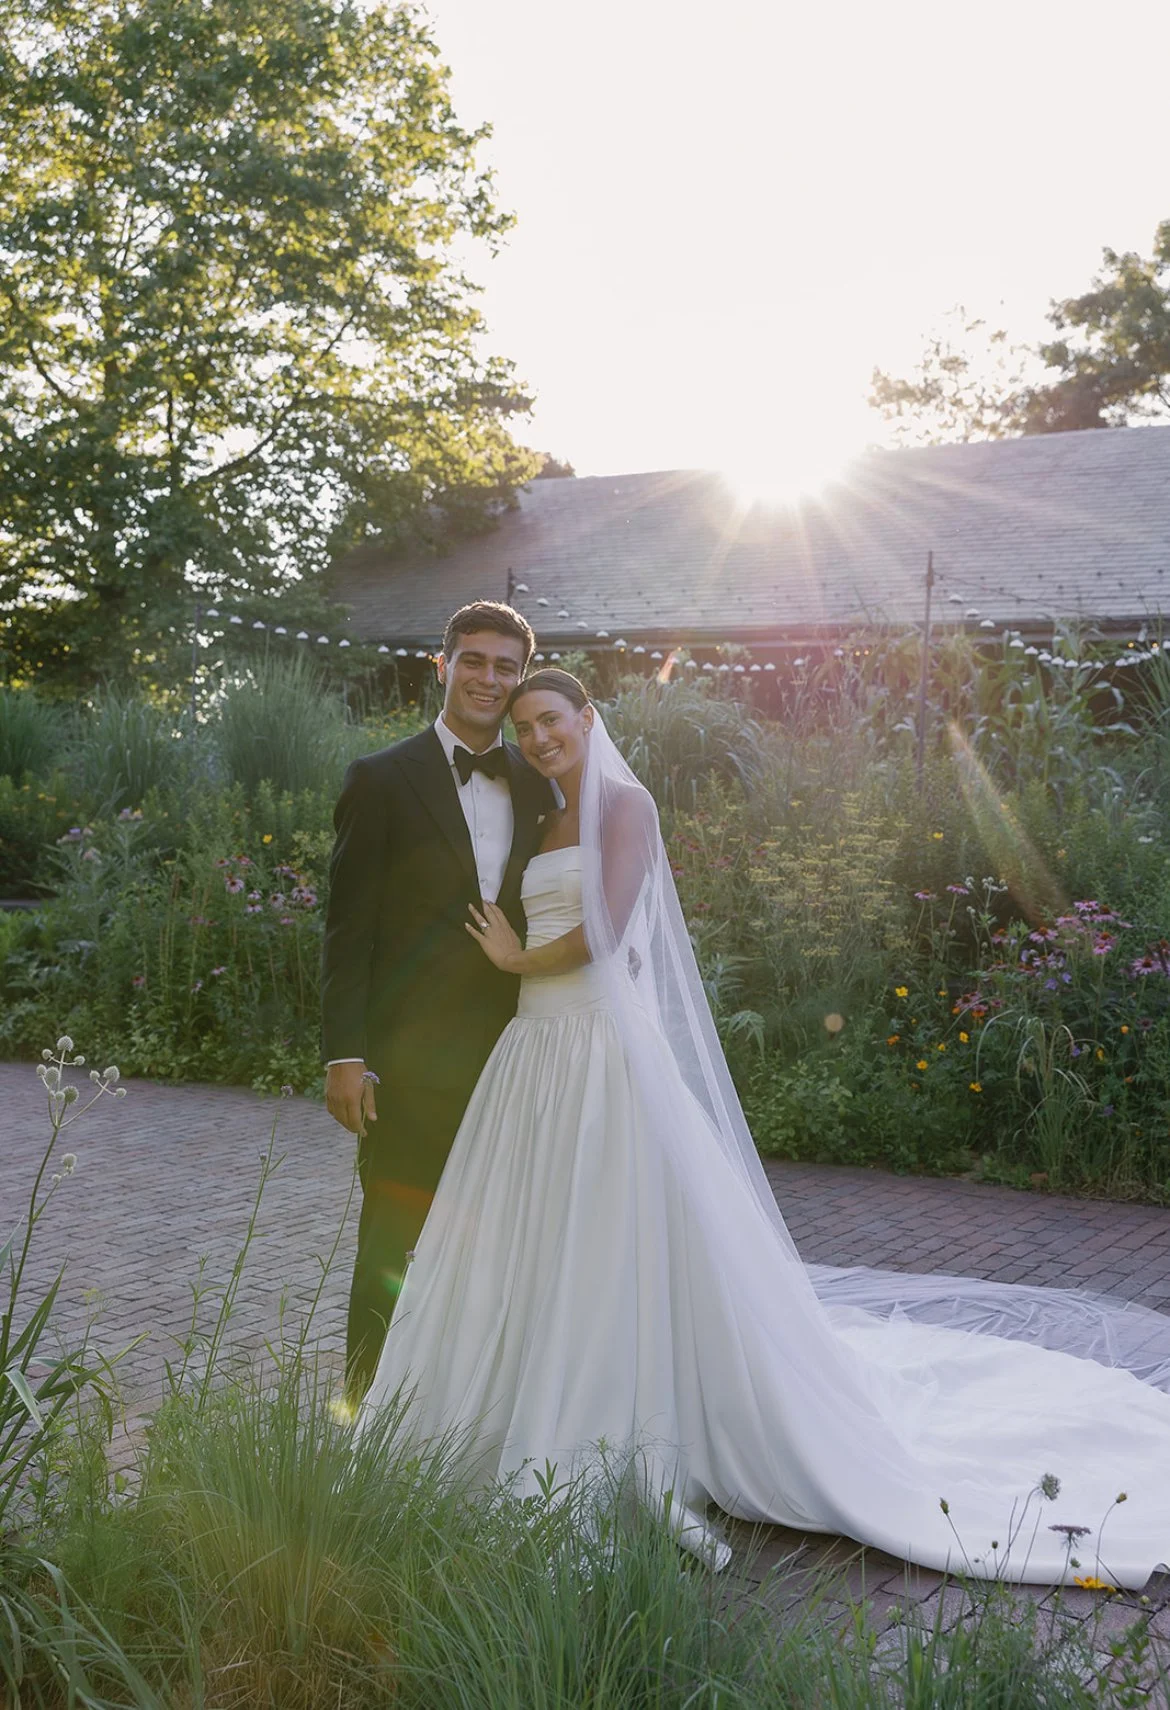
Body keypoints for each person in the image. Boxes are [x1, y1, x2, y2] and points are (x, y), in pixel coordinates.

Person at [358, 668, 1170, 1585]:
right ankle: (514, 1402)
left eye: (552, 719)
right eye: (526, 727)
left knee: (606, 1234)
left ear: (587, 718)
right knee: (540, 1236)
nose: (540, 738)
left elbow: (608, 929)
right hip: (534, 1053)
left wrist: (515, 958)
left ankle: (606, 1416)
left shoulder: (626, 807)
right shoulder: (541, 816)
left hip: (598, 1050)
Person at [321, 602, 554, 1398]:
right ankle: (361, 1411)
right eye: (474, 660)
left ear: (521, 677)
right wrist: (345, 1055)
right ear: (442, 664)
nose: (489, 678)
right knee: (392, 1239)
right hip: (408, 1063)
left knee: (501, 1243)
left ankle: (468, 1413)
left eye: (505, 666)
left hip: (519, 1052)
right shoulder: (380, 779)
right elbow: (348, 930)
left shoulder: (543, 783)